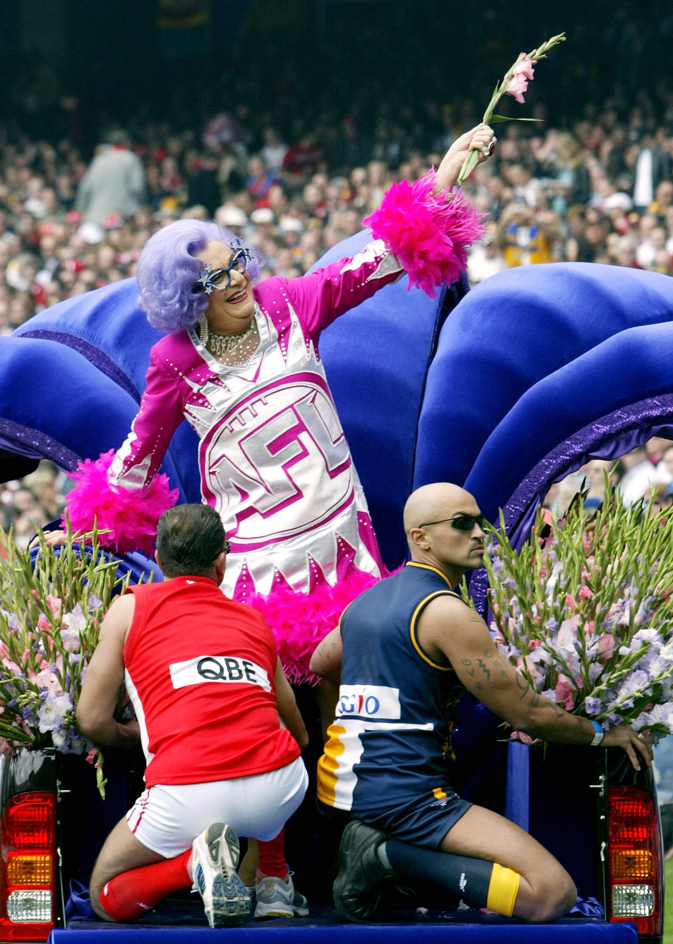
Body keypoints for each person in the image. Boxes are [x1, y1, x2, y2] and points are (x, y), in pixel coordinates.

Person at [64, 124, 496, 686]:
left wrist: (442, 176)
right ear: (190, 296)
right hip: (253, 567)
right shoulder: (173, 362)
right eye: (216, 276)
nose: (237, 277)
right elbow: (137, 460)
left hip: (339, 539)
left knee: (348, 692)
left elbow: (377, 260)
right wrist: (80, 528)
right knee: (275, 705)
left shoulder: (287, 302)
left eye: (237, 260)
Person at [310, 482, 653, 923]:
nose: (478, 534)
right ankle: (383, 854)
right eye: (462, 523)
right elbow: (527, 713)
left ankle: (381, 849)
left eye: (481, 523)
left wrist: (334, 741)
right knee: (550, 894)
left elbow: (322, 665)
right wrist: (603, 734)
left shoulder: (364, 604)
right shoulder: (448, 613)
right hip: (406, 798)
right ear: (420, 538)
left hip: (342, 789)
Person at [76, 504, 309, 927]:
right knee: (264, 746)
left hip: (187, 789)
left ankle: (191, 867)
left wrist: (132, 734)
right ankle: (274, 880)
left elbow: (91, 719)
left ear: (159, 560)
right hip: (281, 788)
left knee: (104, 894)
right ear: (222, 561)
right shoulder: (254, 619)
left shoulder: (130, 607)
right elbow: (297, 733)